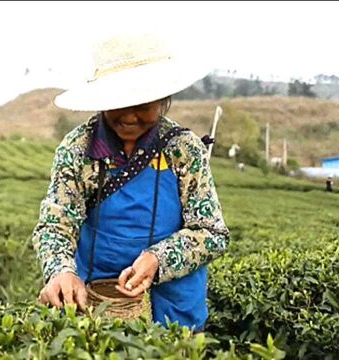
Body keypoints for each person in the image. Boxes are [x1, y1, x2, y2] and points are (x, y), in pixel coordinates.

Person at [32, 32, 230, 332]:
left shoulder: (183, 150)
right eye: (118, 102)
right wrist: (60, 271)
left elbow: (212, 232)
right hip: (94, 299)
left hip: (174, 303)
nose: (129, 116)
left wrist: (158, 259)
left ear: (164, 100)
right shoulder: (78, 150)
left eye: (143, 103)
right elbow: (55, 225)